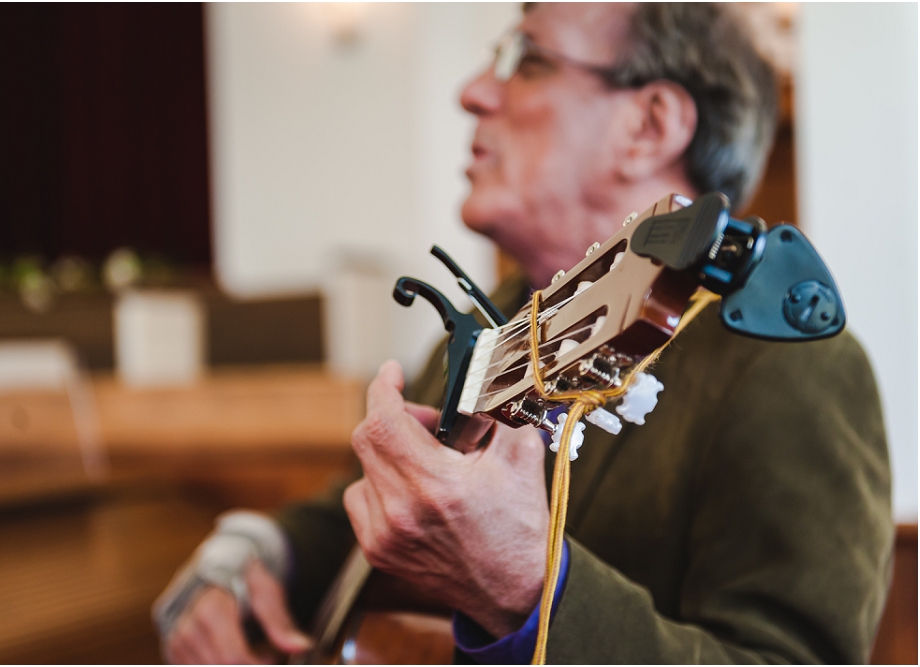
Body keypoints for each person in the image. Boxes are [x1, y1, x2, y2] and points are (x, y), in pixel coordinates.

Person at [154, 4, 893, 663]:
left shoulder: (786, 369)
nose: (472, 91)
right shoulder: (490, 321)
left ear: (649, 125)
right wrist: (239, 561)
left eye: (528, 60)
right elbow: (357, 513)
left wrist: (527, 590)